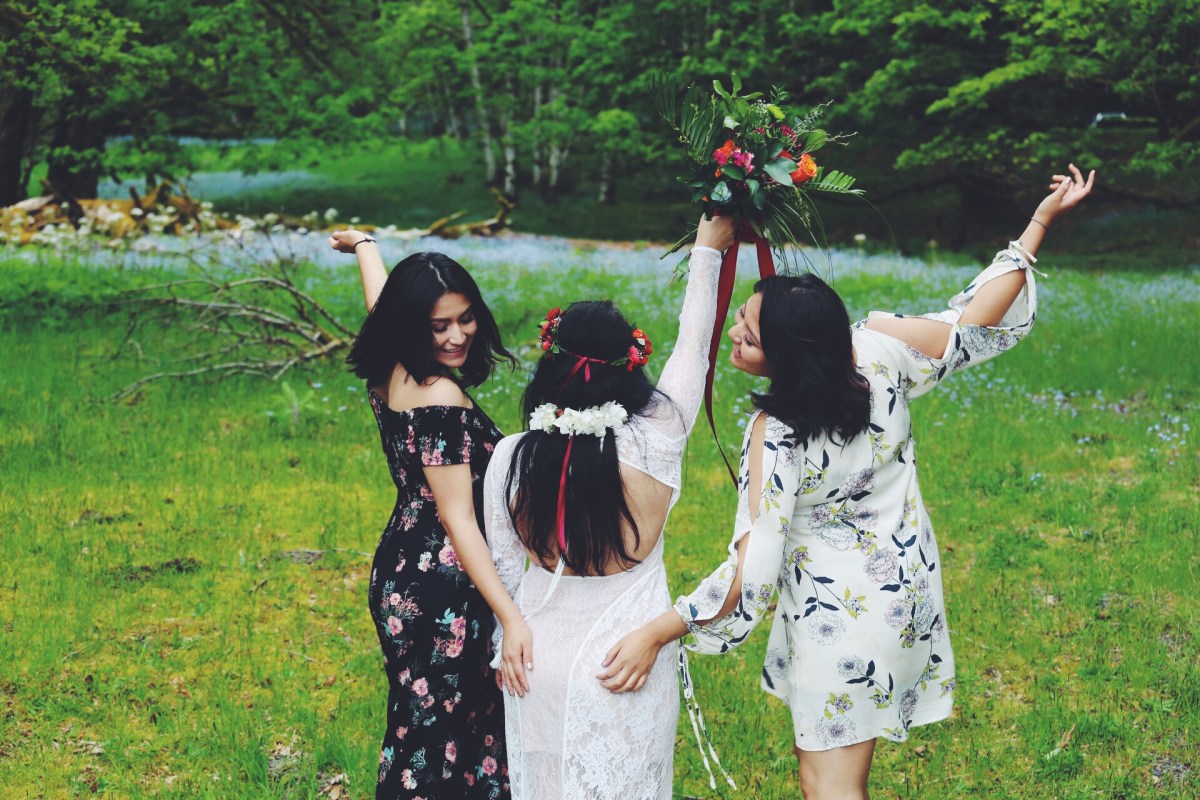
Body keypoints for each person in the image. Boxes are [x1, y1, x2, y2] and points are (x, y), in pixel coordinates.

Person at [598, 165, 1096, 799]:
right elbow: (971, 319)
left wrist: (656, 630)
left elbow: (754, 566)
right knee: (838, 775)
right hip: (902, 599)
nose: (733, 334)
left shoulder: (775, 433)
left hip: (838, 621)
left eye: (747, 334)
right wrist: (1040, 222)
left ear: (788, 353)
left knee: (828, 785)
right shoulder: (876, 349)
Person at [481, 217, 733, 799]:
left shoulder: (512, 455)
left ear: (550, 362)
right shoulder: (659, 433)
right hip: (627, 660)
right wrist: (707, 252)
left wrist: (506, 636)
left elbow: (500, 570)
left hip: (532, 660)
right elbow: (696, 343)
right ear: (632, 361)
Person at [329, 230, 529, 799]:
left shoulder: (393, 362)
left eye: (464, 319)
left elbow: (380, 304)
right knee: (444, 741)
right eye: (439, 326)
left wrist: (365, 246)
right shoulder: (438, 396)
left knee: (425, 727)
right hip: (446, 589)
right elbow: (458, 519)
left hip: (402, 573)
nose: (456, 334)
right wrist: (511, 617)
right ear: (414, 326)